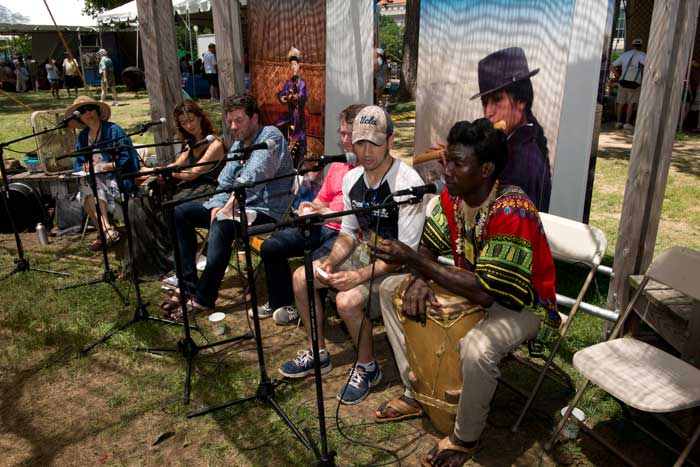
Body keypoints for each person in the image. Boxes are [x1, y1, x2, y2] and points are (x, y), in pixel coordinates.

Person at [373, 118, 559, 467]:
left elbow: (489, 293)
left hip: (520, 303)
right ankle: (418, 391)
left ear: (486, 169)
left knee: (478, 348)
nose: (448, 171)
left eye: (458, 164)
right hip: (475, 286)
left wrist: (414, 261)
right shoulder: (453, 199)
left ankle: (464, 437)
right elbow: (429, 247)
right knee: (389, 290)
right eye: (448, 161)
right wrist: (416, 280)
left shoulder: (512, 210)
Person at [277, 105, 426, 405]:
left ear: (390, 142)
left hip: (398, 266)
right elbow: (347, 233)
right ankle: (317, 352)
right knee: (302, 277)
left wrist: (356, 276)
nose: (366, 150)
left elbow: (406, 254)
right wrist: (331, 263)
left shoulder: (408, 183)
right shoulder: (351, 179)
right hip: (364, 251)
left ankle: (368, 367)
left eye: (374, 142)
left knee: (346, 299)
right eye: (360, 142)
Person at [163, 93, 293, 317]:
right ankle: (187, 284)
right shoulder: (239, 143)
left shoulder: (270, 136)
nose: (232, 126)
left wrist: (225, 209)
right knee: (180, 212)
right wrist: (217, 205)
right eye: (230, 120)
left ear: (254, 118)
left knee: (222, 225)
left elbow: (253, 177)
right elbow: (224, 179)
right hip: (235, 206)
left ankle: (204, 298)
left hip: (264, 211)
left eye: (238, 120)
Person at [257, 104, 366, 324]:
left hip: (344, 234)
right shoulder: (338, 165)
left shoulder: (370, 171)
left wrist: (327, 214)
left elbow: (362, 217)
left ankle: (307, 309)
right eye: (341, 133)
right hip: (318, 225)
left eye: (349, 134)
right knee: (271, 246)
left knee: (315, 264)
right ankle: (284, 302)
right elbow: (321, 199)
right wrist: (309, 207)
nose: (344, 139)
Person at [127, 100, 227, 278]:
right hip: (188, 187)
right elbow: (177, 165)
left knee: (169, 208)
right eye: (184, 122)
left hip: (208, 190)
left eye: (192, 120)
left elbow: (193, 173)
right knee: (145, 204)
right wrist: (154, 171)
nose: (189, 125)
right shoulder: (189, 144)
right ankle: (159, 261)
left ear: (201, 118)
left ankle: (178, 262)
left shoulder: (215, 144)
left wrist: (163, 172)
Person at [470, 47, 551, 212]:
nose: (488, 112)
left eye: (497, 100)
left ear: (521, 100)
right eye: (485, 102)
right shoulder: (512, 143)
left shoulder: (523, 158)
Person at [65, 96, 140, 251]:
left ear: (98, 111)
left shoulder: (113, 130)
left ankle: (103, 232)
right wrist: (85, 167)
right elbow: (78, 164)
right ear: (79, 118)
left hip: (118, 179)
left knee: (86, 190)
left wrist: (103, 167)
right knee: (88, 185)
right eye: (82, 111)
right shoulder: (83, 137)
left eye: (90, 108)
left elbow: (126, 159)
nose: (88, 113)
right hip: (94, 182)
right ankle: (107, 230)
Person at [276, 46, 308, 166]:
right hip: (290, 114)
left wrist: (293, 97)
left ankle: (298, 158)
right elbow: (281, 94)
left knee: (298, 135)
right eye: (291, 65)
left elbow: (302, 97)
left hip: (298, 114)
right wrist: (283, 98)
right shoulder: (288, 83)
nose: (292, 67)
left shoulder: (302, 83)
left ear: (299, 66)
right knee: (279, 124)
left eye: (294, 64)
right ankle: (284, 152)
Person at [612, 38, 646, 130]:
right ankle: (627, 123)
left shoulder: (625, 55)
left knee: (621, 103)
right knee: (631, 103)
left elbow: (612, 66)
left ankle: (618, 122)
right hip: (635, 84)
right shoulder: (643, 55)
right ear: (641, 46)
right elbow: (646, 64)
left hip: (623, 82)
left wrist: (618, 75)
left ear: (632, 45)